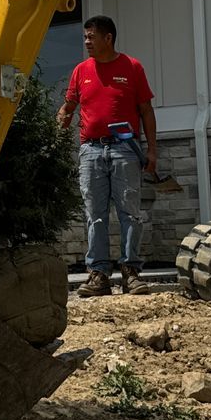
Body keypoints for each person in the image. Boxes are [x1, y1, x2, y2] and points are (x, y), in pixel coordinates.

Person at [57, 15, 157, 296]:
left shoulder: (132, 67)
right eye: (85, 37)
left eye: (91, 36)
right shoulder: (81, 71)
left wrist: (152, 150)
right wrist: (64, 114)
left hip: (125, 148)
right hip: (90, 150)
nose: (87, 42)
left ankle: (130, 273)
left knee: (130, 213)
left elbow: (146, 111)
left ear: (108, 38)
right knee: (95, 215)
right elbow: (70, 105)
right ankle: (99, 275)